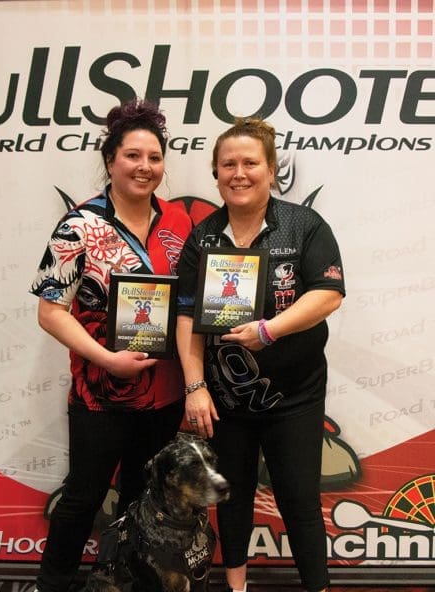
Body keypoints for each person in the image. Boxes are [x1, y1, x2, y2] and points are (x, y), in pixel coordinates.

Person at [30, 99, 192, 592]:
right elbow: (50, 311)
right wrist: (107, 359)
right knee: (83, 497)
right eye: (133, 155)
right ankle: (53, 585)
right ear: (110, 160)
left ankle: (125, 582)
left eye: (155, 157)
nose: (145, 167)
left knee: (144, 502)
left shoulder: (180, 222)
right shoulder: (78, 226)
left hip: (164, 394)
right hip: (100, 393)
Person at [176, 117, 345, 592]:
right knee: (231, 496)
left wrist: (268, 332)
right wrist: (195, 386)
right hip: (226, 399)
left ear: (271, 170)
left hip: (295, 396)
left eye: (250, 163)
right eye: (228, 164)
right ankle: (236, 587)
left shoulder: (304, 225)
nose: (239, 173)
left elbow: (329, 294)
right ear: (216, 173)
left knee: (299, 499)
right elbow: (186, 316)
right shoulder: (203, 237)